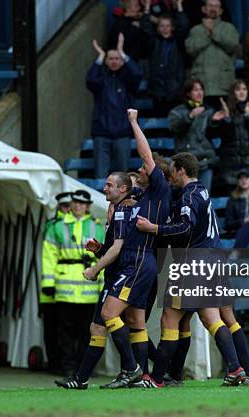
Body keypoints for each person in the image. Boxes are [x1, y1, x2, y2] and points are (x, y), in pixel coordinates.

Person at [135, 152, 249, 387]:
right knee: (212, 317)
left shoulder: (189, 196)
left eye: (173, 172)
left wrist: (155, 228)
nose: (171, 176)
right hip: (214, 258)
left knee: (170, 317)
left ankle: (157, 378)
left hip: (194, 261)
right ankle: (238, 369)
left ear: (181, 170)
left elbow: (184, 228)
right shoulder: (202, 190)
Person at [86, 108, 172, 389]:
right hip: (132, 264)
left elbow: (146, 156)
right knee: (137, 321)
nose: (138, 171)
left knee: (112, 315)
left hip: (141, 263)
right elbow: (116, 195)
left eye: (142, 170)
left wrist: (134, 122)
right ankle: (145, 375)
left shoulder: (158, 191)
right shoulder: (136, 197)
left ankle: (136, 370)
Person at [55, 173, 133, 389]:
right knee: (96, 328)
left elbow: (119, 249)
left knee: (128, 322)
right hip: (107, 278)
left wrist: (94, 270)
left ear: (123, 189)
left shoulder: (123, 212)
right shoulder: (114, 213)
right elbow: (113, 249)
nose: (104, 188)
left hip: (124, 275)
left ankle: (134, 368)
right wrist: (99, 250)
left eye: (109, 185)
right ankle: (81, 379)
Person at [42, 190, 105, 376]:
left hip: (89, 290)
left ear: (87, 206)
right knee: (65, 331)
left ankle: (83, 367)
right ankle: (68, 367)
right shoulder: (57, 226)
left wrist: (103, 285)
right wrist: (48, 282)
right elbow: (48, 256)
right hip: (65, 288)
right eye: (75, 202)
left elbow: (105, 258)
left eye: (81, 203)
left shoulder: (96, 227)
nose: (77, 206)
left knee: (87, 331)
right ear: (71, 205)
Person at [87, 34, 143, 179]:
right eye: (110, 58)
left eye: (117, 58)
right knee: (100, 176)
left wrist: (122, 52)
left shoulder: (128, 80)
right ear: (106, 61)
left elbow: (137, 74)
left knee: (122, 177)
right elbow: (90, 80)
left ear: (122, 61)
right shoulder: (101, 79)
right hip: (101, 133)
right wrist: (99, 56)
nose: (114, 61)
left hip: (123, 133)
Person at [168, 79, 223, 191]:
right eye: (195, 90)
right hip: (186, 163)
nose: (199, 93)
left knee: (204, 198)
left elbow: (212, 136)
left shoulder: (209, 111)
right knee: (188, 198)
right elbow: (175, 129)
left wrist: (215, 122)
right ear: (188, 93)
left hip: (205, 160)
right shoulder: (177, 112)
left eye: (201, 89)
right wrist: (190, 117)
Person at [215, 80, 249, 191]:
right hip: (230, 166)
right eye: (238, 90)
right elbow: (224, 137)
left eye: (244, 89)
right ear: (233, 93)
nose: (242, 92)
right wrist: (227, 118)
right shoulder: (226, 111)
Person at [141, 0, 190, 117]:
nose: (165, 28)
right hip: (157, 90)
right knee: (159, 122)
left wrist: (179, 5)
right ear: (157, 28)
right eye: (162, 26)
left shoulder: (178, 42)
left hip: (175, 90)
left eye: (168, 26)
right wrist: (147, 7)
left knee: (175, 120)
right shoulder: (153, 41)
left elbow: (184, 26)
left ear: (172, 27)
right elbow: (145, 27)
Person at [41, 192, 72, 375]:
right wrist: (48, 283)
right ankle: (54, 362)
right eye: (65, 206)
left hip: (71, 288)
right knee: (52, 328)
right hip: (53, 285)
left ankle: (66, 363)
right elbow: (48, 257)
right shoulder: (53, 226)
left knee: (67, 328)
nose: (68, 209)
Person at [185, 0, 240, 101]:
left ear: (221, 11)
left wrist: (212, 32)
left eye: (216, 6)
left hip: (224, 85)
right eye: (210, 6)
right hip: (202, 85)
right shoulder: (195, 30)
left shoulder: (229, 28)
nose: (213, 9)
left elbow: (233, 46)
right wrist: (207, 36)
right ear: (204, 9)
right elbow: (190, 50)